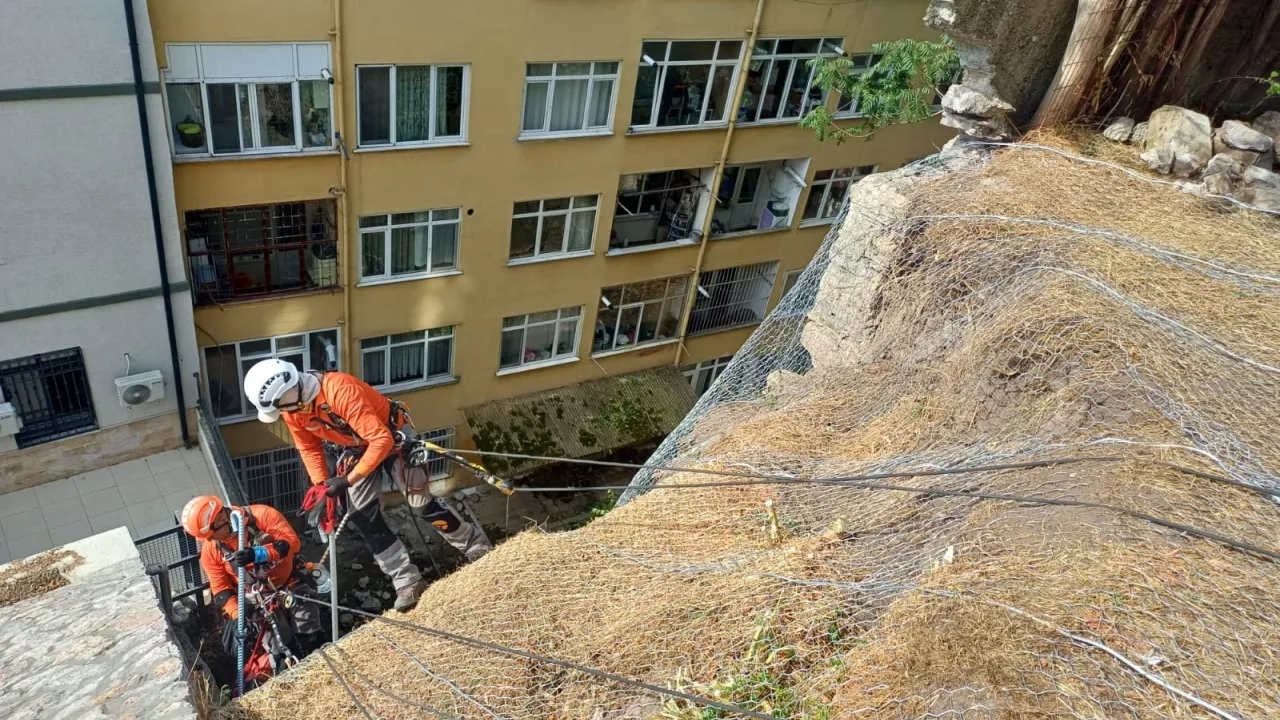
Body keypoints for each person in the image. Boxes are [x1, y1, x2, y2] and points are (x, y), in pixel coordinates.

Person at [241, 358, 491, 611]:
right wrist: (321, 484)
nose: (281, 412)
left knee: (421, 504)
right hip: (357, 448)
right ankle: (406, 580)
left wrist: (346, 480)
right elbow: (309, 448)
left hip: (393, 438)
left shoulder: (339, 390)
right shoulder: (294, 412)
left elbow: (381, 440)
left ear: (289, 392)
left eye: (280, 405)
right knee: (363, 517)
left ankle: (474, 544)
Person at [180, 495, 322, 663]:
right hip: (258, 599)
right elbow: (221, 590)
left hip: (290, 583)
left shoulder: (262, 515)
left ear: (222, 519)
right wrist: (237, 615)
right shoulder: (211, 551)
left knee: (309, 632)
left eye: (211, 534)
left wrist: (259, 553)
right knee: (278, 648)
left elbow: (291, 543)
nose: (209, 540)